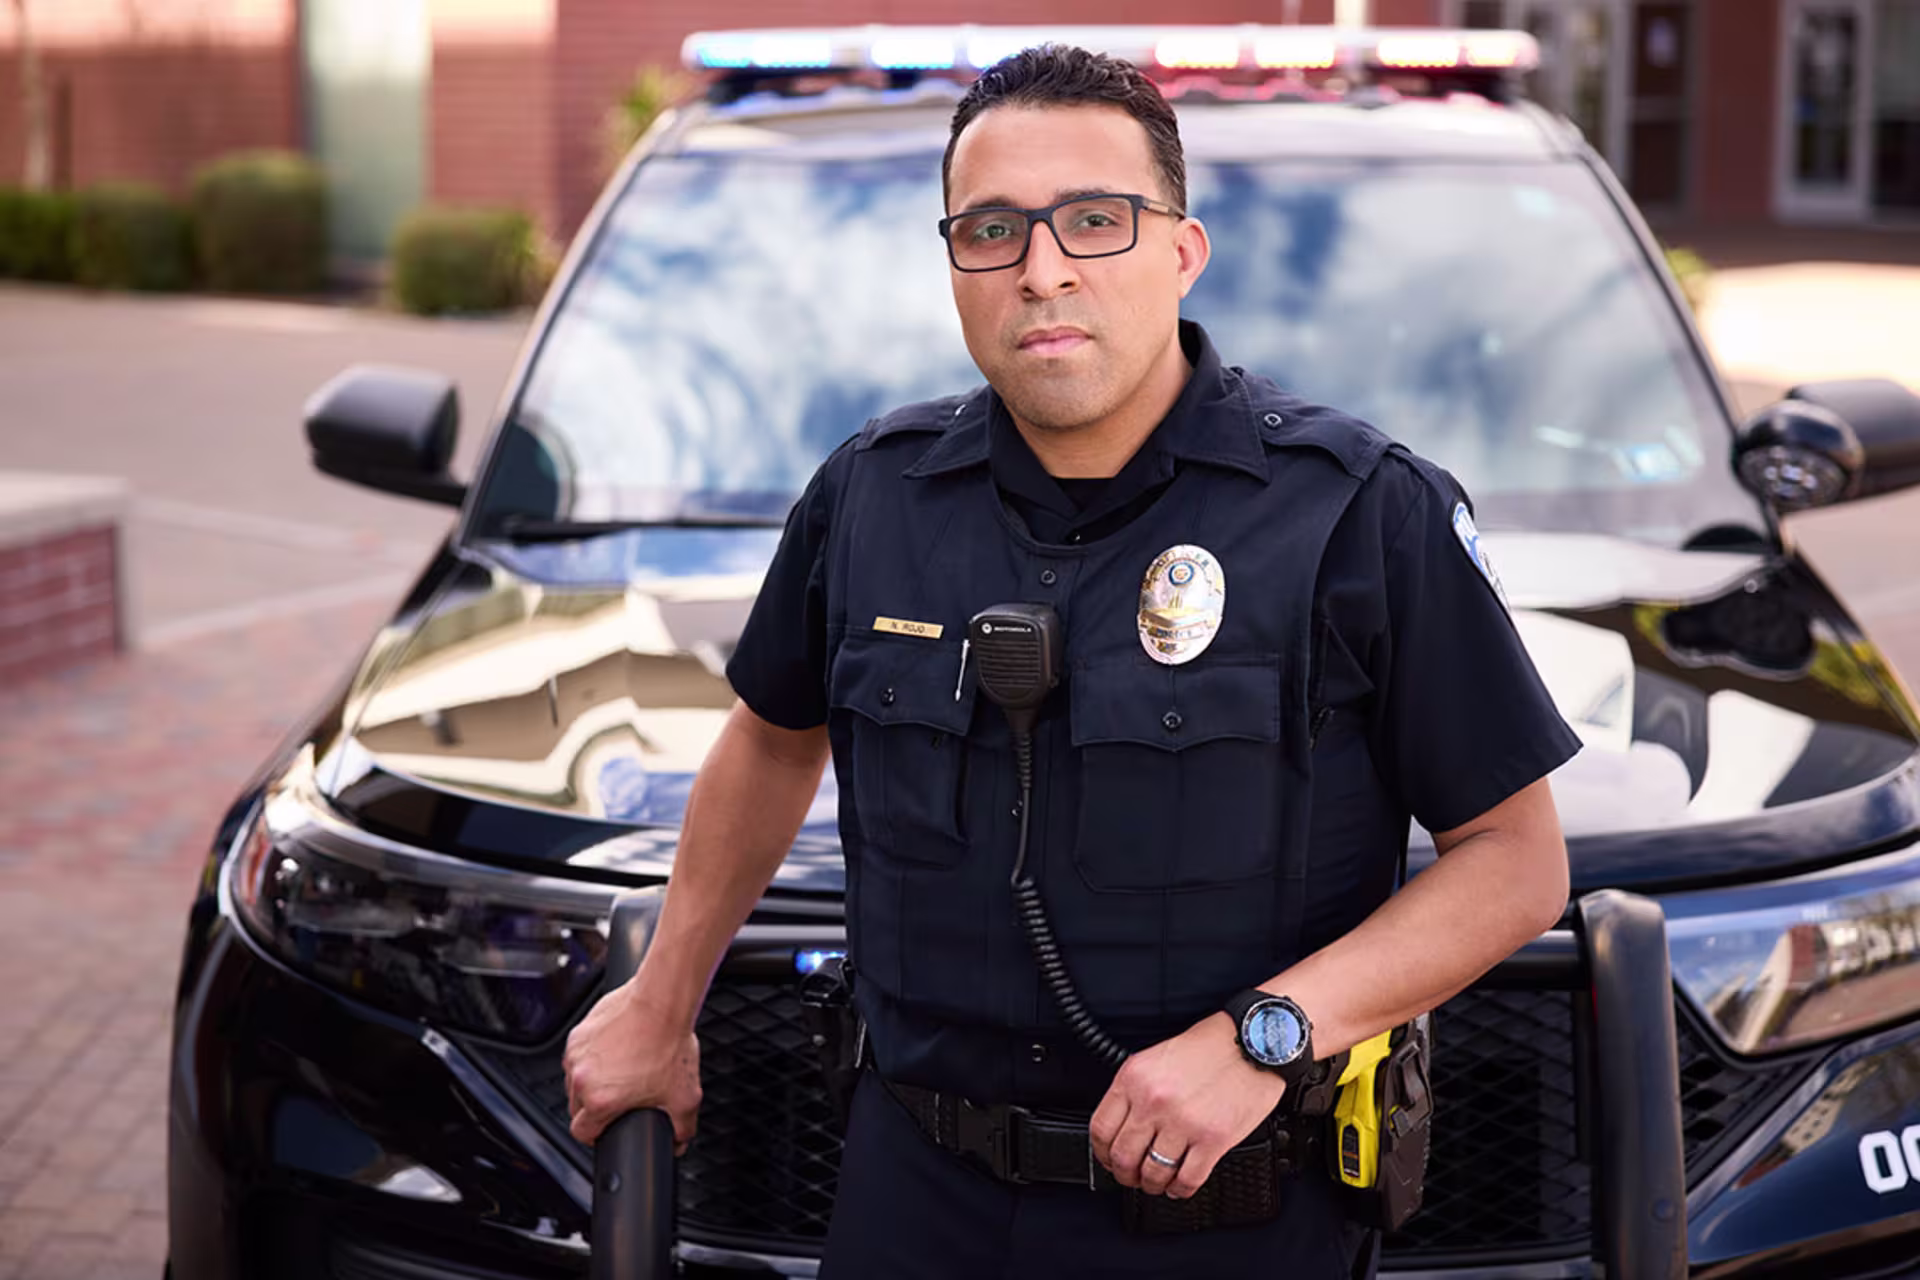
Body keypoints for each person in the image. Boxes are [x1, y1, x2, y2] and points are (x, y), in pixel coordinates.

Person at [564, 43, 1580, 1278]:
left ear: (1183, 251)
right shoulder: (870, 498)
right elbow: (772, 743)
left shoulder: (1361, 513)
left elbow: (1515, 861)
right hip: (910, 1202)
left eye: (1094, 221)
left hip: (1231, 1222)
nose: (1041, 269)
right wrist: (661, 1000)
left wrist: (1265, 1035)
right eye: (992, 230)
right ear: (954, 264)